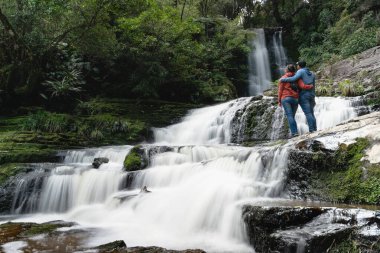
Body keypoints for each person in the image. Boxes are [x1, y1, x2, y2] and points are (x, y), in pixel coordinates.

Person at [280, 60, 317, 133]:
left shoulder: (300, 71)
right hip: (311, 95)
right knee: (311, 113)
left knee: (308, 113)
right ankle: (315, 128)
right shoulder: (312, 73)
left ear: (299, 66)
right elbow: (314, 85)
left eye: (297, 65)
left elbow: (293, 79)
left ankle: (312, 130)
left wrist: (283, 79)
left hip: (304, 95)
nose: (297, 67)